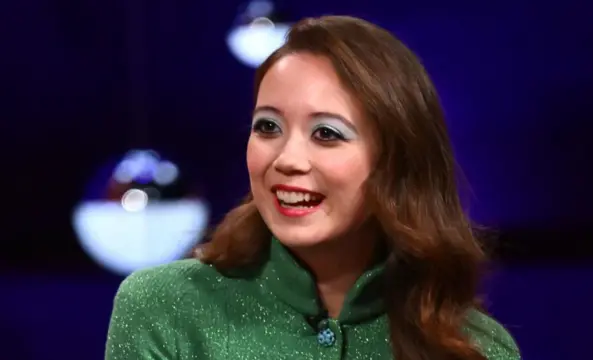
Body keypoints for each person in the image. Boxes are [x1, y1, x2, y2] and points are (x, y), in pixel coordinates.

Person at [105, 15, 520, 360]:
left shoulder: (476, 347)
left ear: (396, 159)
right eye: (268, 127)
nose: (286, 159)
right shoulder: (162, 308)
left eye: (326, 133)